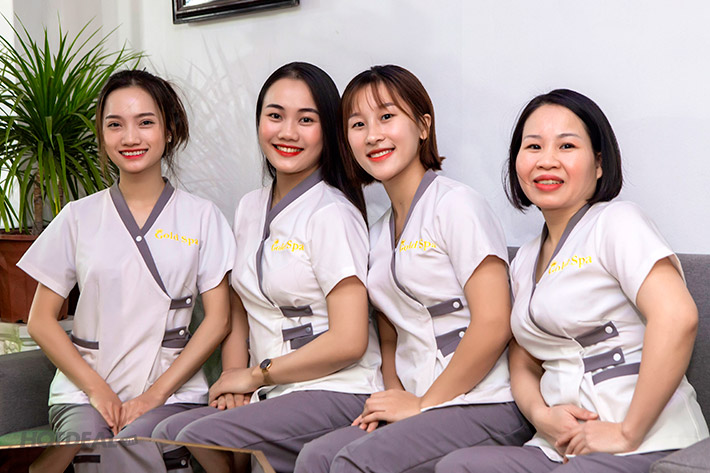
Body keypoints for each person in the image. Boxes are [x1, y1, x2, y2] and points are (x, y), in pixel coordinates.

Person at [435, 89, 709, 472]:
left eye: (566, 146)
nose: (547, 160)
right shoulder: (525, 259)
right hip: (559, 447)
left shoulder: (617, 222)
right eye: (533, 146)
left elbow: (678, 317)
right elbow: (523, 357)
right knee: (460, 466)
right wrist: (541, 414)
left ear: (599, 164)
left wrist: (627, 432)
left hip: (649, 443)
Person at [295, 65, 533, 473]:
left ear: (423, 126)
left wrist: (425, 404)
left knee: (356, 461)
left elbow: (495, 322)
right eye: (358, 124)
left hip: (485, 400)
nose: (373, 135)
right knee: (316, 457)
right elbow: (390, 335)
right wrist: (392, 398)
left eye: (387, 116)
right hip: (419, 400)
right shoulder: (375, 233)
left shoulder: (457, 205)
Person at [153, 62, 383, 473]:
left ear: (328, 131)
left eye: (306, 120)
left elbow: (350, 340)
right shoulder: (249, 207)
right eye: (275, 115)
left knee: (199, 436)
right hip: (274, 391)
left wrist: (256, 376)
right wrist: (232, 379)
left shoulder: (333, 213)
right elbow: (240, 308)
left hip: (337, 388)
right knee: (168, 431)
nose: (287, 132)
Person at [18, 70, 236, 473]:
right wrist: (97, 390)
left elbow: (219, 320)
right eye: (115, 125)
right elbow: (40, 321)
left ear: (169, 129)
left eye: (145, 122)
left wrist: (155, 395)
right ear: (102, 135)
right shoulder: (78, 217)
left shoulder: (202, 217)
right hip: (85, 390)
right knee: (89, 438)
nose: (130, 137)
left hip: (172, 388)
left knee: (139, 436)